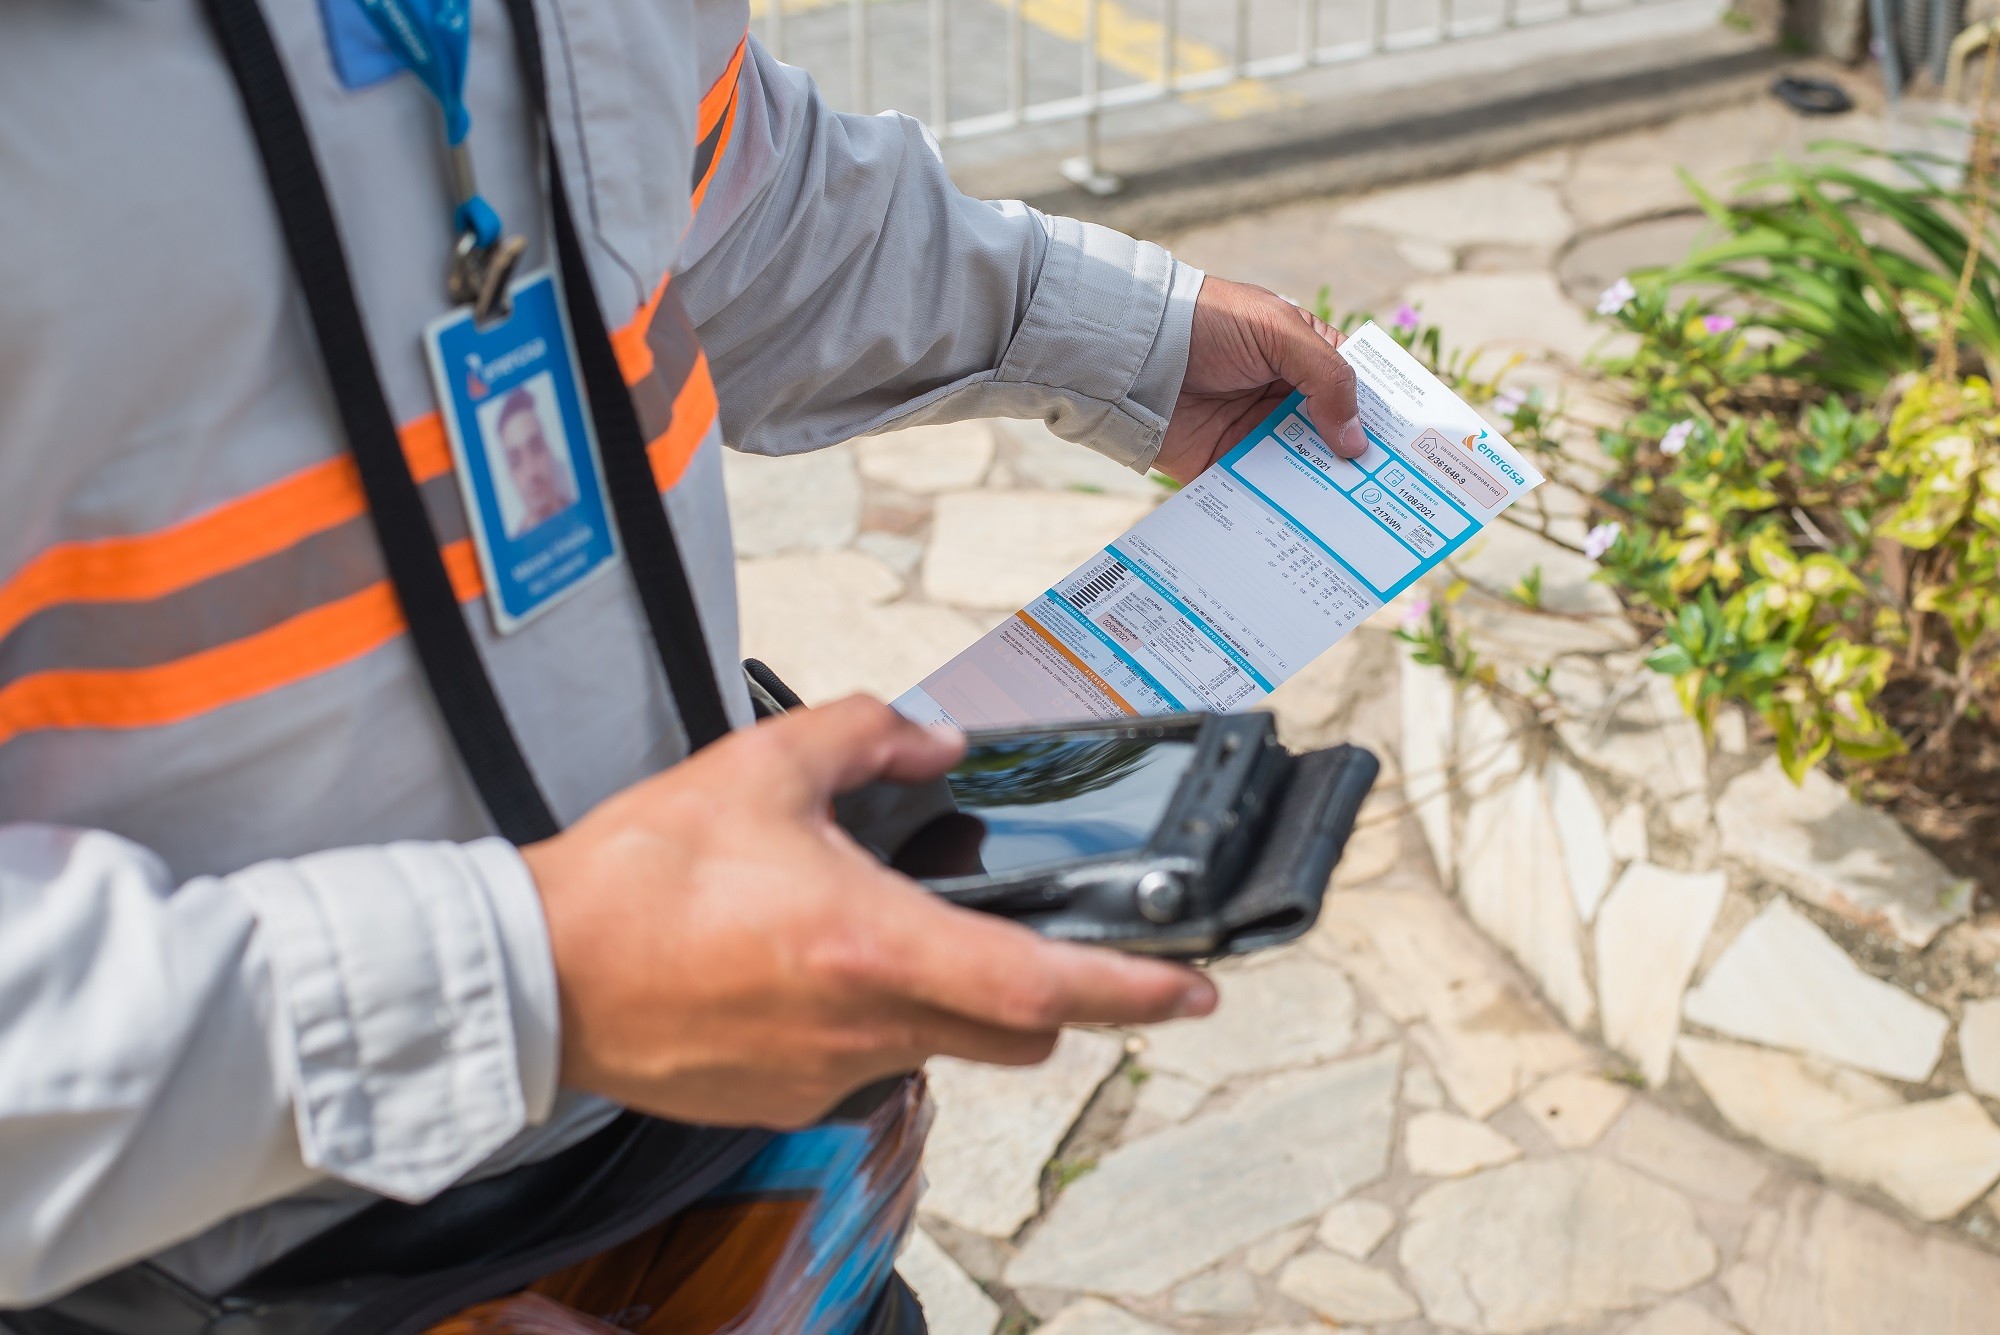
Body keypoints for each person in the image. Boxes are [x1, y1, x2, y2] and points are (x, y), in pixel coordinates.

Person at [0, 0, 1364, 1328]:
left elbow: (707, 175)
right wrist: (539, 978)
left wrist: (1105, 327)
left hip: (737, 1187)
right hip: (231, 1260)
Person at [491, 385, 578, 535]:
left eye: (536, 449)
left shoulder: (585, 514)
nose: (531, 472)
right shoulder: (513, 551)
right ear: (510, 474)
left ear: (549, 451)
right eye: (515, 461)